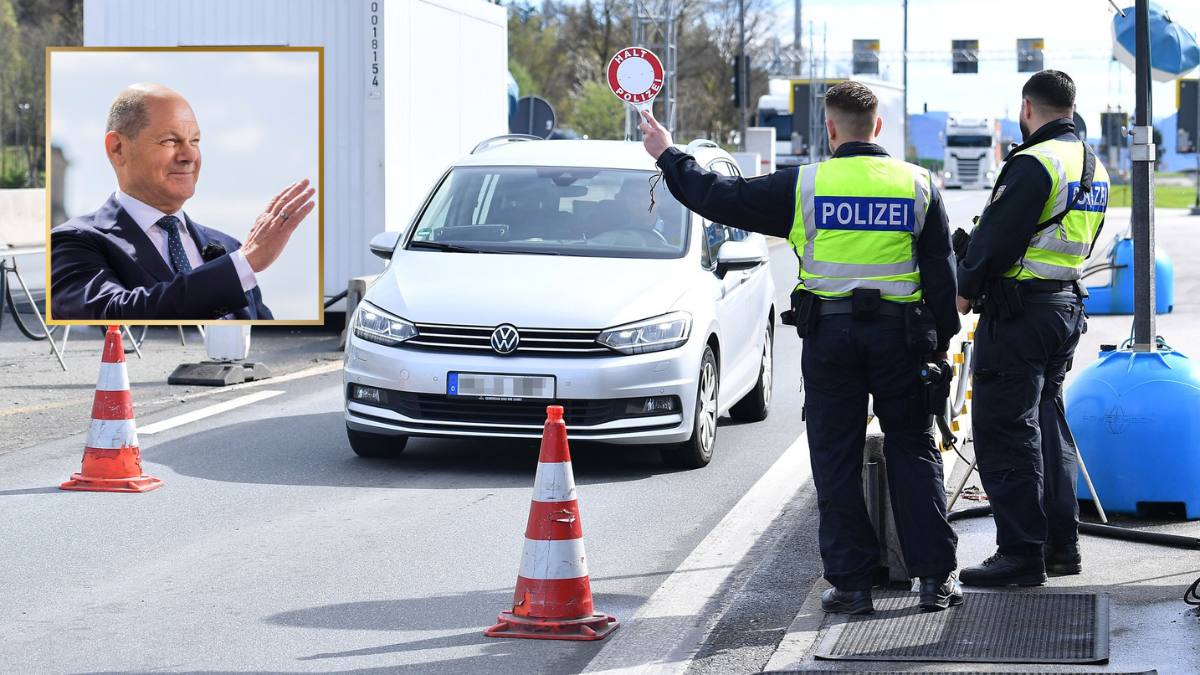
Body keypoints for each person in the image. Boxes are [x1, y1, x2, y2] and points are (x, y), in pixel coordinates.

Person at [639, 81, 962, 613]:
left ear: (830, 129)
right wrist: (938, 345)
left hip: (832, 338)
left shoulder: (805, 185)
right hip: (901, 339)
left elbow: (718, 196)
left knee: (835, 457)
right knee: (913, 448)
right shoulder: (919, 185)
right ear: (876, 128)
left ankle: (853, 585)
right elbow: (941, 279)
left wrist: (668, 154)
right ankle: (932, 580)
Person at [956, 70, 1108, 587]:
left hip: (1020, 316)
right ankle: (1061, 547)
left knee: (1005, 430)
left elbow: (994, 239)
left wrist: (963, 287)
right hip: (1065, 307)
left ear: (1028, 108)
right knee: (1047, 426)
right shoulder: (1094, 165)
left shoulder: (1033, 161)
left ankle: (1020, 554)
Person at [51, 83, 315, 321]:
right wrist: (243, 265)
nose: (190, 155)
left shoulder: (228, 247)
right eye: (170, 140)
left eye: (195, 141)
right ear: (117, 148)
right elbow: (111, 315)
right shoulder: (76, 242)